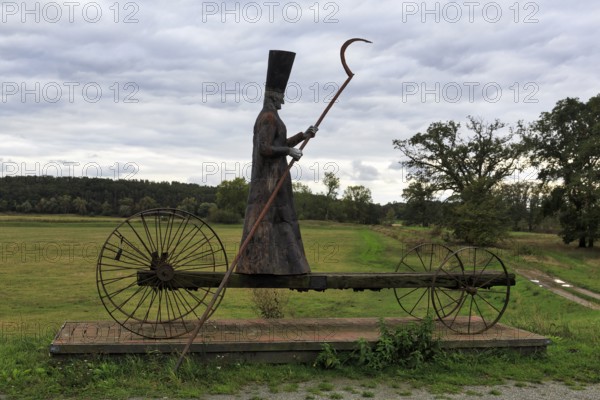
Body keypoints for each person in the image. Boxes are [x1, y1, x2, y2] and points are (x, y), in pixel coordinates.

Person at [236, 50, 317, 275]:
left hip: (277, 180)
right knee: (267, 224)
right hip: (267, 184)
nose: (283, 99)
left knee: (283, 221)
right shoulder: (268, 117)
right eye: (281, 95)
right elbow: (265, 149)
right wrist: (289, 150)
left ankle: (287, 265)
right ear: (272, 96)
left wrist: (304, 135)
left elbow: (279, 143)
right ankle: (258, 264)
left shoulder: (272, 116)